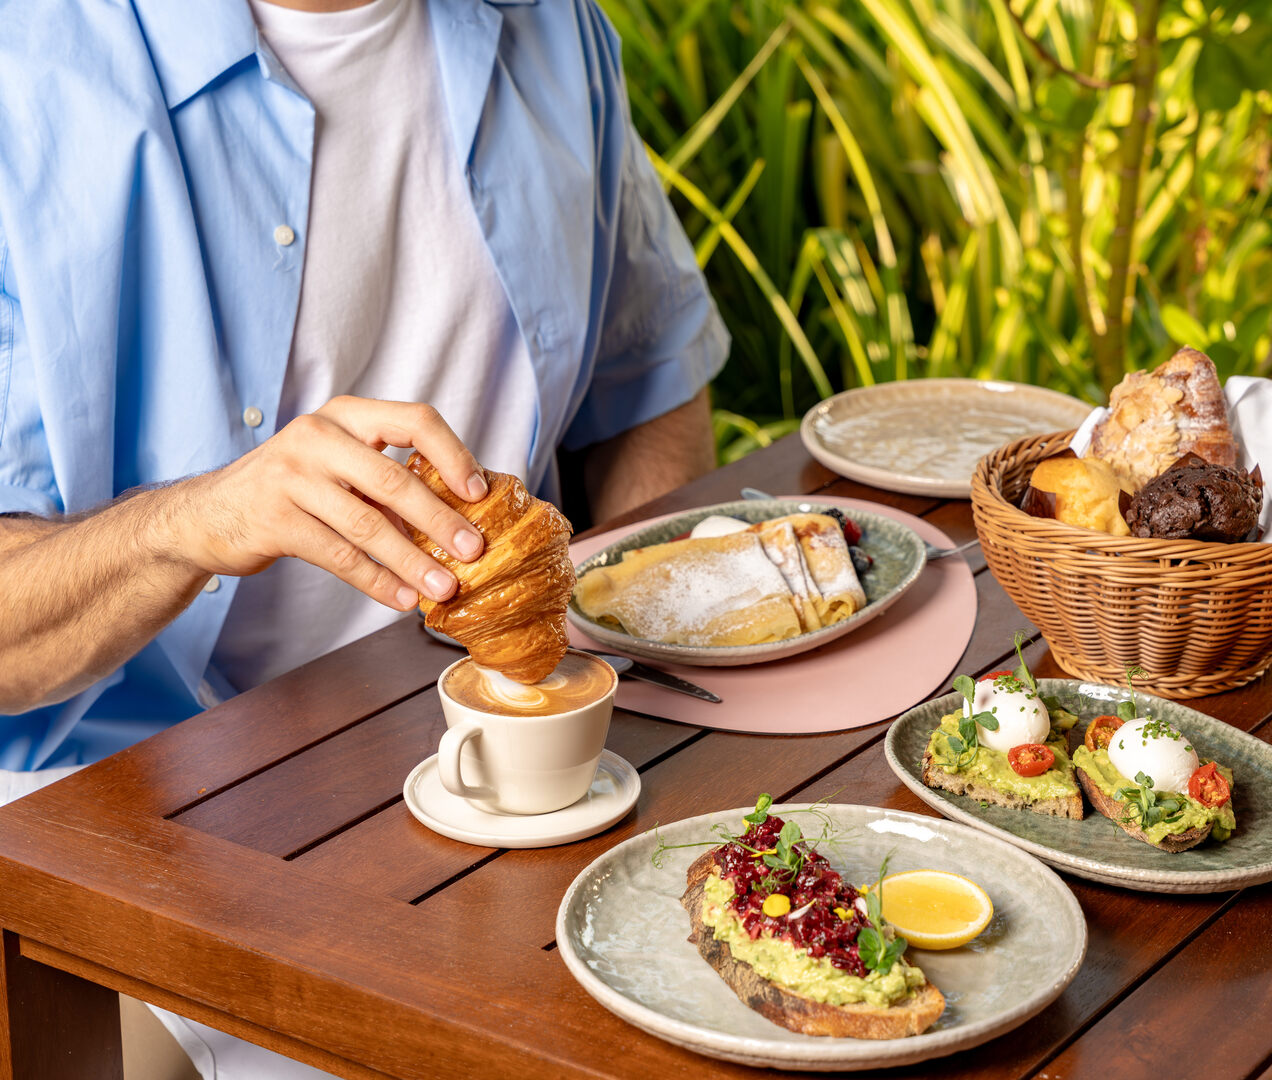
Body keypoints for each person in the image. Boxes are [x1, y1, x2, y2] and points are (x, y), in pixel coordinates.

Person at [0, 0, 727, 1074]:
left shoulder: (554, 26)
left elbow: (653, 382)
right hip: (134, 811)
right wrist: (192, 523)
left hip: (515, 775)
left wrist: (587, 650)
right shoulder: (29, 77)